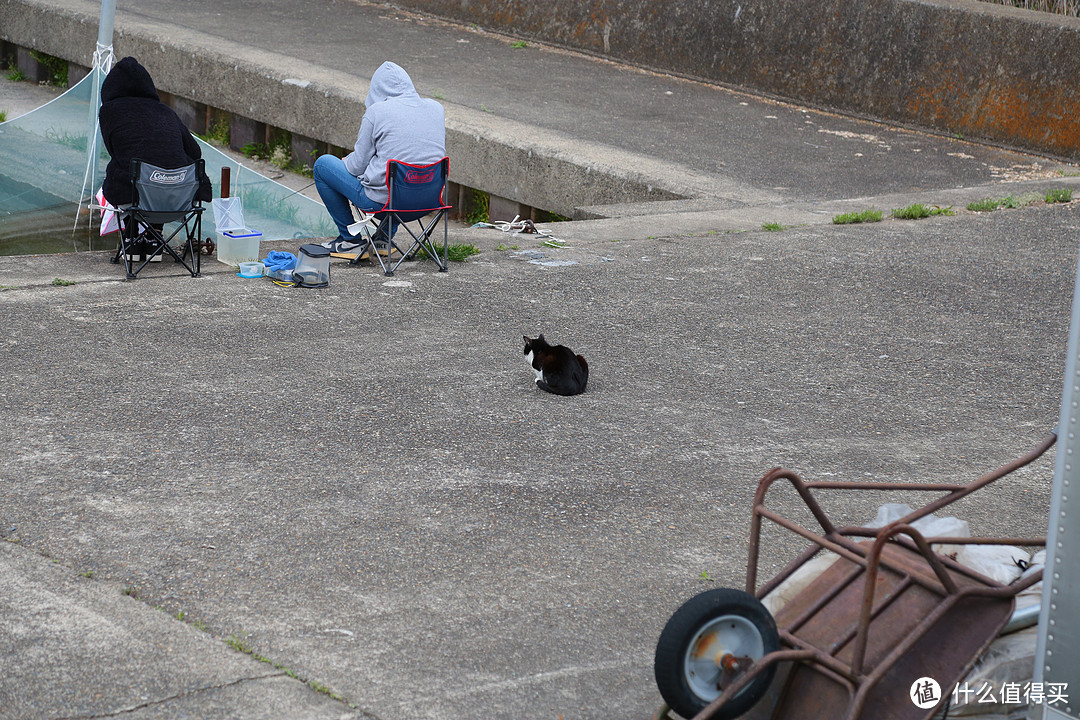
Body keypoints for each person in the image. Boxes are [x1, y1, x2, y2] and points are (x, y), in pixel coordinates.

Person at [313, 61, 445, 253]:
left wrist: (344, 162)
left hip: (384, 204)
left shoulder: (377, 112)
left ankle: (350, 241)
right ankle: (383, 240)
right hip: (429, 202)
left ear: (376, 90)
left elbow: (356, 166)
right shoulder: (436, 108)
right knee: (396, 174)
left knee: (323, 165)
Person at [98, 56, 212, 210]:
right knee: (157, 175)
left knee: (120, 169)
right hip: (182, 198)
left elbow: (115, 152)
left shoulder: (109, 112)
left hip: (135, 198)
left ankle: (133, 230)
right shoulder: (166, 111)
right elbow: (195, 151)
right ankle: (155, 231)